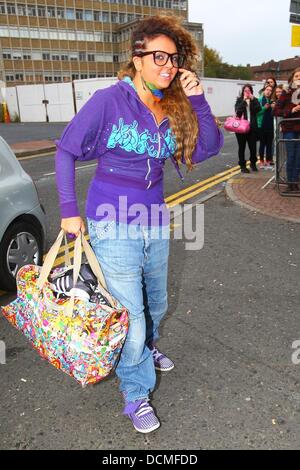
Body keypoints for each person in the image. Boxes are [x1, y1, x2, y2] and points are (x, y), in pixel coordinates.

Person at [55, 15, 223, 433]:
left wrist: (197, 98)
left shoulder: (172, 104)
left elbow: (209, 149)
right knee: (130, 314)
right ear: (138, 57)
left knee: (157, 303)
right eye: (160, 57)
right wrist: (68, 210)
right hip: (112, 220)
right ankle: (136, 393)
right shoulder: (109, 100)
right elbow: (65, 151)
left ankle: (146, 348)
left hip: (153, 218)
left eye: (175, 59)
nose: (168, 66)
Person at [274, 68, 300, 192]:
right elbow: (276, 110)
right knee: (291, 155)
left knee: (299, 157)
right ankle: (290, 183)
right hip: (289, 128)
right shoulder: (286, 92)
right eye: (297, 76)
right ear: (292, 79)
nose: (299, 78)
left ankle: (295, 182)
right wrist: (291, 110)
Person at [234, 84, 261, 173]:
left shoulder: (254, 100)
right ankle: (242, 166)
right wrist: (244, 101)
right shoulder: (239, 100)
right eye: (245, 90)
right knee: (241, 147)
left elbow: (258, 109)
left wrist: (252, 99)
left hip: (252, 128)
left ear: (251, 92)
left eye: (248, 90)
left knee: (253, 148)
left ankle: (253, 163)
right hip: (241, 128)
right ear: (243, 92)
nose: (247, 92)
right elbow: (238, 112)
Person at [257, 85, 275, 168]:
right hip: (262, 125)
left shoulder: (271, 100)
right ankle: (261, 161)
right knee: (262, 144)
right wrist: (264, 108)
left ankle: (268, 161)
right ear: (264, 90)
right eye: (267, 89)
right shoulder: (259, 100)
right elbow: (256, 113)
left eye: (270, 90)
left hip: (270, 125)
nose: (268, 91)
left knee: (269, 144)